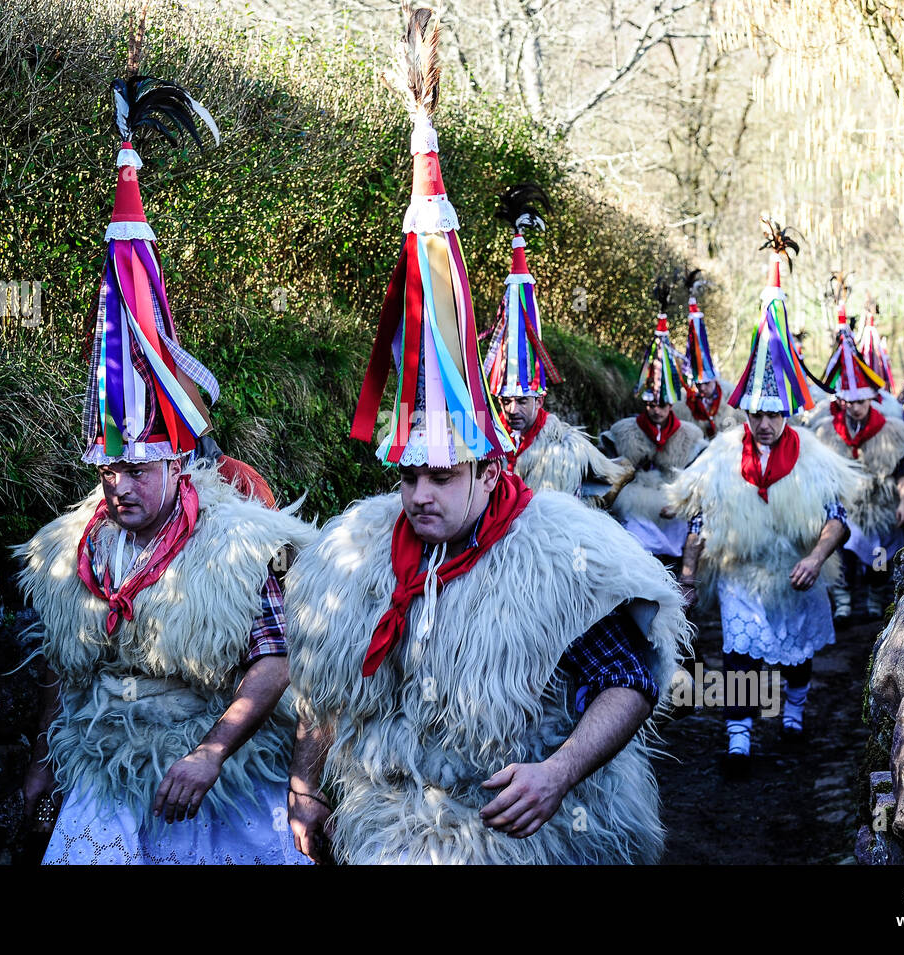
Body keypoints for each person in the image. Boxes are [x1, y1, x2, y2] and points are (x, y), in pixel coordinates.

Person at [283, 7, 689, 865]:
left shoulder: (561, 554)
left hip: (507, 831)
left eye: (441, 476)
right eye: (408, 477)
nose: (420, 494)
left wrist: (557, 771)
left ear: (486, 462)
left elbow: (627, 680)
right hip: (389, 826)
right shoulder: (354, 550)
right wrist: (309, 788)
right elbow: (325, 691)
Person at [16, 77, 316, 864]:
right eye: (108, 466)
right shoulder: (69, 548)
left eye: (139, 468)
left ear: (181, 460)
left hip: (206, 760)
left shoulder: (241, 543)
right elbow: (62, 661)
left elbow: (276, 659)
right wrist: (46, 759)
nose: (119, 484)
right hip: (105, 760)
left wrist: (214, 750)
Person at [670, 225, 860, 772]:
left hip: (796, 571)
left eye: (774, 413)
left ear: (788, 412)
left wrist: (816, 557)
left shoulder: (816, 459)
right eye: (757, 413)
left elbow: (837, 521)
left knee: (796, 656)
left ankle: (795, 711)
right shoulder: (721, 456)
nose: (765, 423)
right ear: (746, 412)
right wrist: (687, 574)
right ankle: (739, 734)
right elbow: (699, 519)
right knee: (740, 655)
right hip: (741, 574)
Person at [480, 185, 632, 500]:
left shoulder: (566, 447)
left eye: (522, 400)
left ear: (540, 399)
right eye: (506, 400)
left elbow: (613, 477)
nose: (512, 409)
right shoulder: (487, 435)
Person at [810, 304, 904, 620]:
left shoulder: (891, 431)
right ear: (843, 401)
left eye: (863, 401)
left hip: (879, 503)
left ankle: (874, 597)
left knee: (877, 555)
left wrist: (902, 502)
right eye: (852, 401)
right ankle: (843, 601)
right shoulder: (825, 431)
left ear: (871, 400)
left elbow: (902, 470)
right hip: (843, 505)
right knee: (842, 552)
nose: (857, 407)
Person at [601, 313, 708, 558]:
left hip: (673, 512)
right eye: (651, 404)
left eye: (662, 404)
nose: (656, 410)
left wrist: (681, 501)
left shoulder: (689, 436)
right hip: (636, 512)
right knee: (630, 533)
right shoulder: (623, 432)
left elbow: (698, 480)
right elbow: (609, 476)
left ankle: (685, 571)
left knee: (692, 523)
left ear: (671, 404)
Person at [674, 289, 743, 438]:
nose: (702, 388)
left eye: (706, 383)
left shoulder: (731, 396)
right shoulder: (683, 403)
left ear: (714, 379)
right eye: (698, 384)